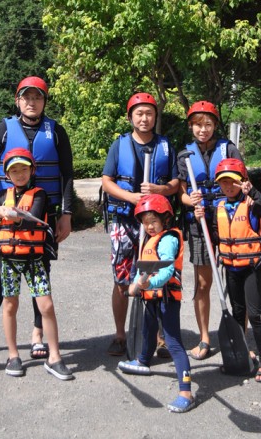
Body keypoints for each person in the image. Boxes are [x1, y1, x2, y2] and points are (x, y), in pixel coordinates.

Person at [0, 76, 73, 361]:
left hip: (44, 213)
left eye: (37, 97)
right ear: (17, 101)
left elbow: (67, 174)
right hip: (9, 210)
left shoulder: (57, 131)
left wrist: (66, 214)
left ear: (44, 101)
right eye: (27, 97)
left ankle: (37, 334)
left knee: (41, 272)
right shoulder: (4, 128)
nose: (32, 102)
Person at [101, 91, 179, 357]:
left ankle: (160, 337)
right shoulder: (119, 145)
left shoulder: (165, 146)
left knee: (157, 276)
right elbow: (107, 182)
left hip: (155, 224)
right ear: (130, 117)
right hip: (125, 220)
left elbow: (175, 183)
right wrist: (131, 197)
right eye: (139, 113)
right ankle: (120, 335)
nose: (144, 118)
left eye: (149, 113)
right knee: (122, 280)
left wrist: (159, 189)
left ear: (155, 117)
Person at [0, 147, 73, 380]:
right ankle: (13, 355)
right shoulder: (1, 196)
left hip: (34, 260)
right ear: (7, 174)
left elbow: (31, 218)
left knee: (46, 306)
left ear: (32, 170)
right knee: (10, 306)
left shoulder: (40, 195)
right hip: (9, 260)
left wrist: (12, 215)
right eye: (14, 171)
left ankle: (54, 357)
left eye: (23, 169)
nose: (19, 174)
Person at [178, 100, 245, 360]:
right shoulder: (184, 155)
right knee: (203, 283)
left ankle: (240, 337)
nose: (203, 129)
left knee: (235, 282)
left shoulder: (228, 149)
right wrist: (191, 201)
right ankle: (204, 338)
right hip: (200, 223)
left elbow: (243, 183)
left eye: (207, 124)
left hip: (228, 221)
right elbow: (181, 193)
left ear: (215, 125)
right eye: (197, 125)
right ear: (191, 126)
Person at [200, 157, 261, 383]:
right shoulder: (219, 207)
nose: (228, 186)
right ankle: (241, 357)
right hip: (231, 268)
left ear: (242, 181)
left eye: (232, 181)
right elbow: (215, 237)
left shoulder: (252, 204)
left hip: (251, 267)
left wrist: (252, 192)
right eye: (223, 182)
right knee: (237, 314)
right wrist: (200, 219)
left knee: (254, 315)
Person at [118, 195, 196, 413]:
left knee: (173, 342)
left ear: (165, 219)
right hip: (151, 297)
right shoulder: (149, 239)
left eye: (153, 221)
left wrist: (148, 284)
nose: (149, 226)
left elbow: (167, 270)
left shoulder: (169, 239)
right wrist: (135, 284)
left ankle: (186, 392)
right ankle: (143, 361)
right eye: (146, 222)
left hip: (167, 298)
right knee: (148, 329)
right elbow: (143, 268)